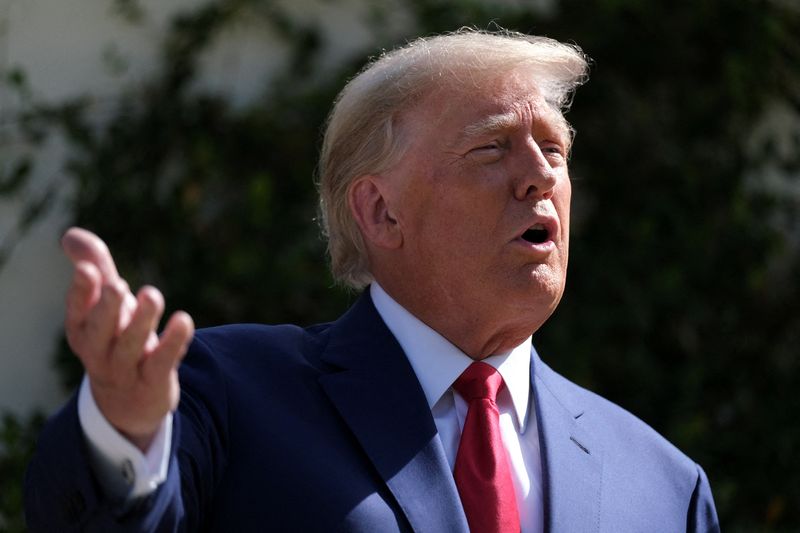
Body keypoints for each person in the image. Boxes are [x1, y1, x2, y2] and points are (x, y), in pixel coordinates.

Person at [25, 29, 720, 532]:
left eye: (556, 150)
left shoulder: (665, 484)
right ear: (382, 211)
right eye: (492, 146)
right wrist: (124, 431)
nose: (540, 174)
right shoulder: (230, 392)